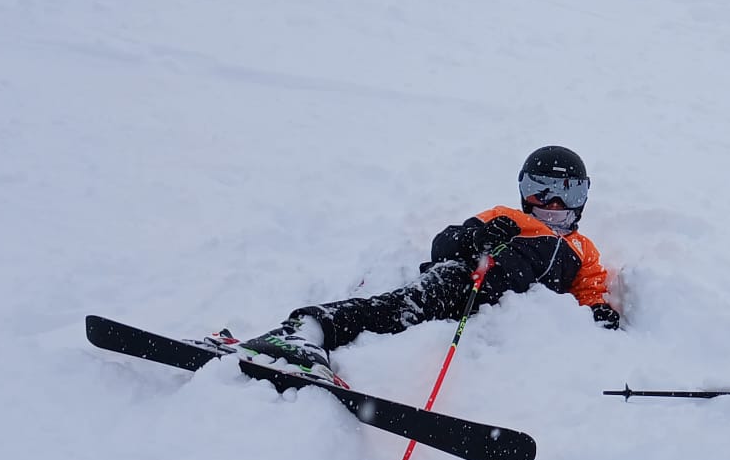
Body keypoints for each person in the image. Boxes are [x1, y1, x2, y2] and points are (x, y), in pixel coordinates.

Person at [243, 146, 620, 383]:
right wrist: (477, 238)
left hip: (492, 315)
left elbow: (589, 289)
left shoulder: (582, 250)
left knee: (409, 338)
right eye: (540, 190)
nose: (552, 203)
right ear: (523, 191)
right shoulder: (505, 217)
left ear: (583, 195)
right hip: (462, 281)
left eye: (566, 192)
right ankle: (305, 329)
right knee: (398, 310)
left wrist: (598, 310)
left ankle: (355, 367)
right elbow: (445, 244)